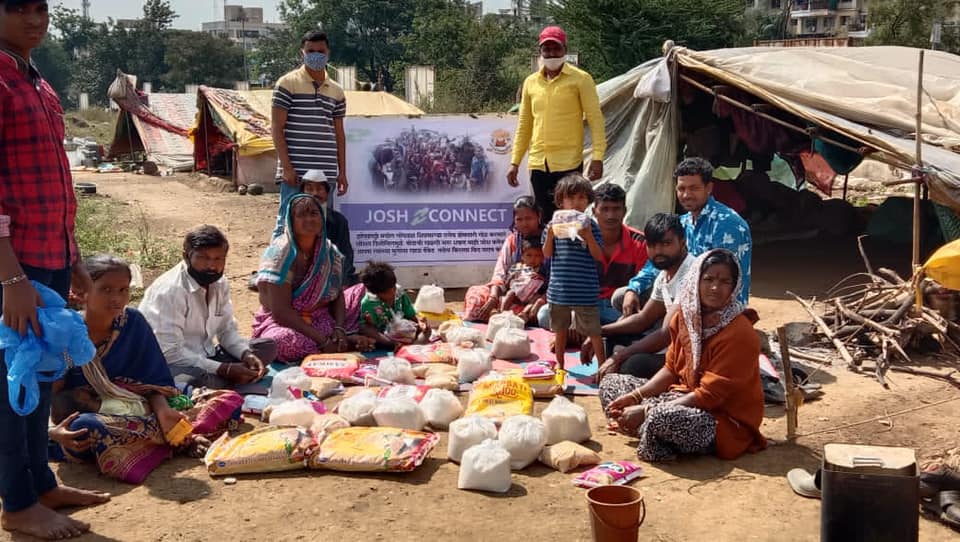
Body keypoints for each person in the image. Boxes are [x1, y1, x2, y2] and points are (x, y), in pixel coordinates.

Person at [0, 2, 109, 538]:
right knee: (11, 389)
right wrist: (11, 278)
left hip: (49, 256)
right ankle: (17, 505)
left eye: (41, 7)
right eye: (17, 7)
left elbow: (54, 185)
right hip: (12, 264)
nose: (35, 17)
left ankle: (41, 484)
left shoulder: (38, 84)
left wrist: (74, 259)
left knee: (41, 379)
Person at [51, 255, 243, 485]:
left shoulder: (132, 321)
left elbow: (153, 380)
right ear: (81, 291)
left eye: (123, 290)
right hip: (98, 415)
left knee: (226, 400)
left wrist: (162, 412)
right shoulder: (64, 335)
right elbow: (50, 398)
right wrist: (52, 433)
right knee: (85, 429)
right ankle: (173, 437)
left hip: (141, 404)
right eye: (106, 289)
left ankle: (158, 436)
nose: (117, 298)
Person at [600, 249, 766, 462]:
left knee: (660, 417)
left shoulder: (740, 333)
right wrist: (635, 397)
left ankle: (650, 431)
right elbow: (671, 369)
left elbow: (709, 396)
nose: (715, 288)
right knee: (612, 384)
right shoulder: (685, 316)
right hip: (680, 397)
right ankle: (647, 429)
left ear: (734, 287)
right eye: (708, 279)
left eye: (725, 281)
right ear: (696, 280)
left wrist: (647, 409)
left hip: (720, 419)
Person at [140, 226, 276, 390]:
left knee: (266, 347)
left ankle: (234, 377)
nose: (212, 266)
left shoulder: (219, 283)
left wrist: (245, 354)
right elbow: (170, 353)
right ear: (186, 256)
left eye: (219, 259)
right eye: (204, 258)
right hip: (171, 362)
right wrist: (223, 369)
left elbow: (227, 330)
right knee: (193, 380)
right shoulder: (170, 291)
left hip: (206, 355)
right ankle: (231, 379)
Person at [622, 158, 753, 310]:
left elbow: (723, 281)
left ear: (709, 188)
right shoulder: (683, 222)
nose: (686, 195)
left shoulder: (728, 224)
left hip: (715, 306)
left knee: (645, 320)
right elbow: (658, 262)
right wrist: (633, 288)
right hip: (684, 294)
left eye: (694, 188)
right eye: (681, 189)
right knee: (623, 296)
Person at [253, 195, 372, 362]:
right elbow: (281, 313)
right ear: (290, 221)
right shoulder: (280, 254)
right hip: (288, 323)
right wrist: (323, 341)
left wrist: (339, 328)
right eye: (301, 215)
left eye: (314, 213)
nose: (309, 219)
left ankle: (340, 337)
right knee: (280, 342)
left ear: (321, 218)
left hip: (321, 317)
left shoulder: (329, 251)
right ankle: (342, 341)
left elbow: (337, 294)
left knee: (362, 292)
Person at [507, 25, 607, 220]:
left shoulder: (581, 79)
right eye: (547, 49)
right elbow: (525, 124)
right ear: (540, 52)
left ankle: (569, 252)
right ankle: (548, 252)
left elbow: (595, 119)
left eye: (556, 48)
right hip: (538, 163)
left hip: (569, 162)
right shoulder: (531, 82)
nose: (551, 53)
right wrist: (515, 162)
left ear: (565, 50)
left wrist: (598, 156)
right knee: (545, 219)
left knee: (570, 219)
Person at [593, 213, 696, 380]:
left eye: (666, 244)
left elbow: (665, 334)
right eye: (652, 245)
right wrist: (598, 331)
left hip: (695, 354)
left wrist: (619, 356)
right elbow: (644, 319)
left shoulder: (691, 274)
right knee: (614, 337)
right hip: (674, 346)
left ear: (683, 242)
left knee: (633, 365)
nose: (658, 251)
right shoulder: (664, 275)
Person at [537, 183, 646, 330]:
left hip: (616, 307)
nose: (610, 215)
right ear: (594, 211)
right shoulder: (574, 234)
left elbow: (643, 281)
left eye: (616, 209)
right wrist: (574, 313)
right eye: (605, 209)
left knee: (638, 320)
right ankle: (596, 332)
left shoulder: (640, 241)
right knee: (544, 314)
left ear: (625, 211)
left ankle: (590, 333)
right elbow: (567, 278)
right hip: (582, 302)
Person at [271, 30, 348, 239]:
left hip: (326, 173)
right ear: (302, 53)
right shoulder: (287, 84)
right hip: (296, 173)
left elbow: (339, 134)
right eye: (310, 51)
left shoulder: (337, 91)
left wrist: (342, 172)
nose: (316, 55)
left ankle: (318, 271)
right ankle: (274, 270)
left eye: (320, 51)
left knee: (321, 226)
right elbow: (277, 128)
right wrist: (287, 167)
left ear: (328, 53)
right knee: (287, 224)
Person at [544, 174, 605, 370]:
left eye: (581, 198)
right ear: (561, 201)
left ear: (588, 201)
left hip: (584, 289)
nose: (576, 203)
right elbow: (547, 254)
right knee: (560, 330)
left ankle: (603, 366)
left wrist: (587, 236)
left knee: (593, 331)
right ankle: (560, 365)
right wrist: (551, 235)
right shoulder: (552, 225)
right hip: (559, 290)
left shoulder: (591, 225)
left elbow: (598, 256)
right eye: (570, 198)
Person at [464, 196, 545, 322]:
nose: (524, 223)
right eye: (519, 219)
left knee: (543, 314)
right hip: (511, 295)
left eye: (529, 218)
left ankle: (512, 316)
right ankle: (505, 314)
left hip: (540, 296)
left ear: (538, 217)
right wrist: (493, 298)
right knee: (475, 294)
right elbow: (500, 271)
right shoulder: (512, 240)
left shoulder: (550, 240)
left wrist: (540, 299)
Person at [358, 262, 429, 348]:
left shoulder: (399, 291)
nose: (393, 292)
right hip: (384, 335)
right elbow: (365, 327)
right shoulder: (369, 303)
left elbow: (410, 314)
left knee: (427, 330)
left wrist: (420, 322)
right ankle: (397, 345)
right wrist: (371, 324)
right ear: (376, 293)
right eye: (388, 292)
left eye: (394, 287)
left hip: (403, 331)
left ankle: (408, 347)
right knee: (370, 337)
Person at [499, 236, 547, 324]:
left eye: (537, 256)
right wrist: (512, 278)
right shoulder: (518, 267)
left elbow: (545, 286)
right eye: (529, 255)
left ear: (542, 258)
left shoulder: (542, 270)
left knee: (536, 298)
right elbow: (507, 283)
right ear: (522, 257)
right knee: (510, 293)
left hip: (531, 295)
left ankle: (524, 313)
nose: (533, 259)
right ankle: (502, 312)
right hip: (517, 294)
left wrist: (541, 279)